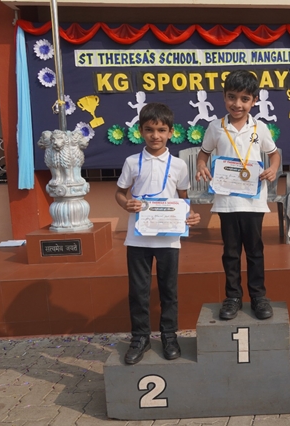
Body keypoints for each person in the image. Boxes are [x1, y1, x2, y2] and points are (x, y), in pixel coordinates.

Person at [116, 102, 201, 365]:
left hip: (168, 239)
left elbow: (183, 198)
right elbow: (119, 193)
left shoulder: (178, 165)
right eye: (149, 130)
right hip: (138, 238)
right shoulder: (132, 162)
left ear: (171, 132)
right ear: (141, 131)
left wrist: (191, 215)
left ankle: (169, 336)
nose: (155, 135)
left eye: (161, 130)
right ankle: (140, 337)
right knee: (138, 291)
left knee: (168, 290)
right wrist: (125, 204)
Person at [196, 69, 280, 321]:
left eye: (245, 99)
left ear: (254, 100)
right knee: (231, 252)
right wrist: (201, 165)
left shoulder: (260, 127)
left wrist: (273, 168)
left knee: (255, 251)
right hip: (227, 201)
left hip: (253, 201)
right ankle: (232, 296)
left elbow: (274, 154)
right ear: (224, 97)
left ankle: (258, 296)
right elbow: (203, 153)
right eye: (232, 97)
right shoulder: (216, 127)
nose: (237, 104)